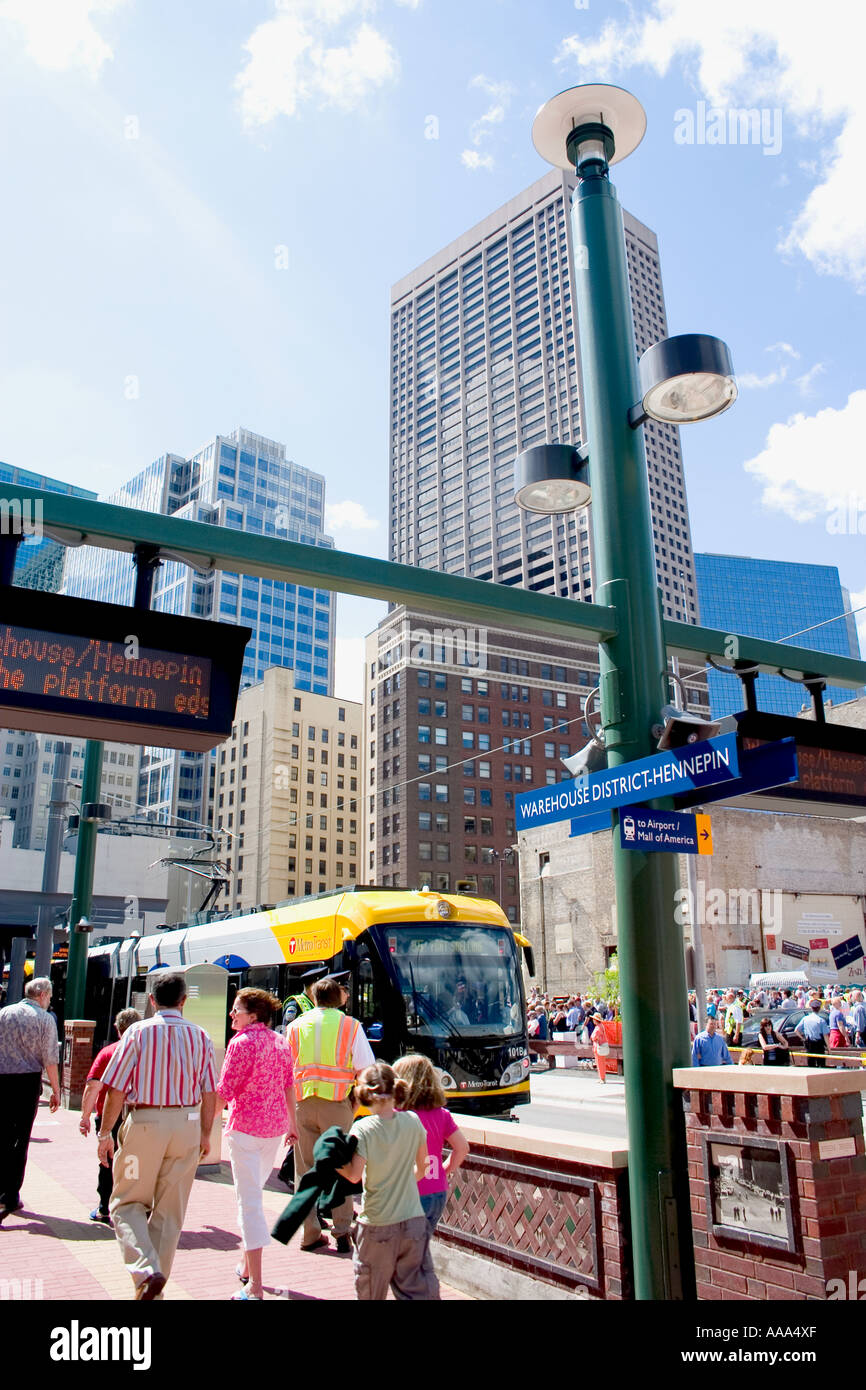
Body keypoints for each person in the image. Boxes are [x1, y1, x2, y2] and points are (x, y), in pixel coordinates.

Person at [96, 971, 218, 1300]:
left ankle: (145, 1271)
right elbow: (210, 1092)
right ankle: (154, 1287)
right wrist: (206, 1134)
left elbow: (116, 1089)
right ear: (184, 1000)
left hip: (145, 1124)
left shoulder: (137, 1032)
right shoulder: (201, 1036)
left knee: (126, 1202)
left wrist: (105, 1132)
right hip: (187, 1124)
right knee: (169, 1211)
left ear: (152, 999)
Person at [217, 988, 298, 1301]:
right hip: (274, 1132)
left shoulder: (240, 1044)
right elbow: (289, 1086)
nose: (232, 1014)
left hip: (245, 1131)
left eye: (236, 1009)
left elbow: (224, 1091)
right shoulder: (280, 1042)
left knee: (248, 1206)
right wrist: (292, 1124)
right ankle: (246, 1267)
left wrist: (204, 1131)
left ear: (253, 1015)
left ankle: (256, 1286)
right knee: (252, 1197)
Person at [285, 975, 375, 1253]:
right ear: (338, 997)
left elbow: (285, 1073)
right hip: (337, 1105)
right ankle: (342, 1231)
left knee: (305, 1171)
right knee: (340, 1168)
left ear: (313, 998)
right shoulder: (350, 1026)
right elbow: (366, 1071)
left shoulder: (296, 1026)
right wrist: (354, 1106)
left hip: (302, 1104)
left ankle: (310, 1233)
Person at [336, 1062, 432, 1300]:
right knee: (414, 1293)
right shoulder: (413, 1121)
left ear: (365, 1094)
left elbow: (354, 1175)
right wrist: (402, 1182)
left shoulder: (364, 1128)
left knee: (370, 1293)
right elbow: (423, 1168)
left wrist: (331, 1161)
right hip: (413, 1220)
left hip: (377, 1223)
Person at [0, 976, 61, 1220]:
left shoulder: (3, 1013)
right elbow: (50, 1059)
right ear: (43, 995)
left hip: (2, 1080)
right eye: (50, 996)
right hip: (27, 1083)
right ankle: (10, 1195)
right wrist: (56, 1091)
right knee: (20, 1138)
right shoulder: (45, 1020)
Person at [392, 1053, 470, 1237]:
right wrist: (444, 1170)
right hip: (436, 1191)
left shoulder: (396, 1115)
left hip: (408, 1193)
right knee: (420, 1249)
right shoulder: (442, 1114)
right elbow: (462, 1148)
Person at [79, 1007, 143, 1224]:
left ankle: (105, 1207)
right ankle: (133, 1208)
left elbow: (93, 1086)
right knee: (134, 1162)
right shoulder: (146, 1052)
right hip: (138, 1117)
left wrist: (85, 1117)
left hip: (108, 1116)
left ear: (117, 1029)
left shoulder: (108, 1052)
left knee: (107, 1161)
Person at [794, 999, 829, 1068]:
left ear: (811, 1008)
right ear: (819, 1008)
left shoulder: (805, 1019)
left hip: (809, 1044)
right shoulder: (821, 1020)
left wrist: (803, 1039)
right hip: (819, 1045)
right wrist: (829, 1047)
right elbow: (825, 1035)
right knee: (821, 1064)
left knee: (811, 1064)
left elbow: (796, 1030)